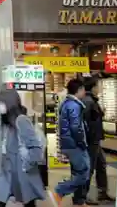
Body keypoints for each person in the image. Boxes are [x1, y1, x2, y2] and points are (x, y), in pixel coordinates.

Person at [0, 89, 45, 207]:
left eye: (0, 103)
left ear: (9, 103)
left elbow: (36, 149)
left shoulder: (21, 120)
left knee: (28, 203)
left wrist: (25, 165)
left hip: (21, 172)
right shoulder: (7, 122)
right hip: (9, 171)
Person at [49, 79, 89, 207]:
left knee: (78, 172)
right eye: (83, 89)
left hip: (68, 144)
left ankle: (74, 200)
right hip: (74, 145)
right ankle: (59, 191)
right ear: (79, 90)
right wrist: (82, 142)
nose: (84, 92)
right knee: (84, 173)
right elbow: (75, 127)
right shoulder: (73, 105)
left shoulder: (67, 103)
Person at [82, 77, 114, 204]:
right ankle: (83, 196)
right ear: (93, 87)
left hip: (94, 139)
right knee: (89, 168)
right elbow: (84, 121)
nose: (101, 88)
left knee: (101, 165)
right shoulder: (88, 101)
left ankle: (102, 192)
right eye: (99, 85)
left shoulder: (91, 100)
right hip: (90, 140)